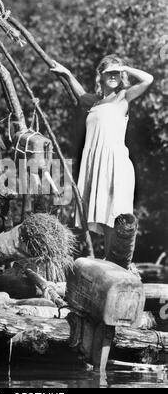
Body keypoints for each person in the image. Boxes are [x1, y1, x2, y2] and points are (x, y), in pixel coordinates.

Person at [51, 54, 154, 255]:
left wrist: (123, 67)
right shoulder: (95, 102)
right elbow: (81, 95)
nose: (113, 76)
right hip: (96, 162)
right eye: (109, 72)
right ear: (101, 75)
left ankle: (118, 263)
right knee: (103, 213)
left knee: (115, 215)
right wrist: (68, 74)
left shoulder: (123, 97)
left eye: (117, 73)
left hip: (115, 162)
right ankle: (108, 260)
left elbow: (148, 79)